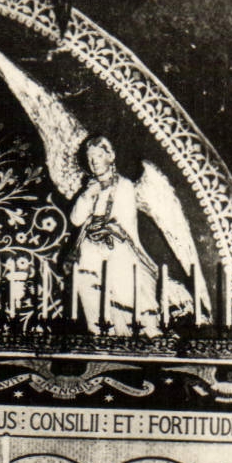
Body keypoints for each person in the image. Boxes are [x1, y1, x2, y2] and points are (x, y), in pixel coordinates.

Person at [69, 136, 158, 336]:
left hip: (116, 244)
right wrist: (87, 195)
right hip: (92, 247)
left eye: (99, 156)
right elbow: (76, 219)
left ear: (110, 156)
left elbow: (125, 219)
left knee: (122, 286)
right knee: (88, 281)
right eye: (90, 158)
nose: (94, 161)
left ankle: (129, 330)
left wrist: (105, 226)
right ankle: (99, 331)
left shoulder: (124, 185)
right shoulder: (90, 188)